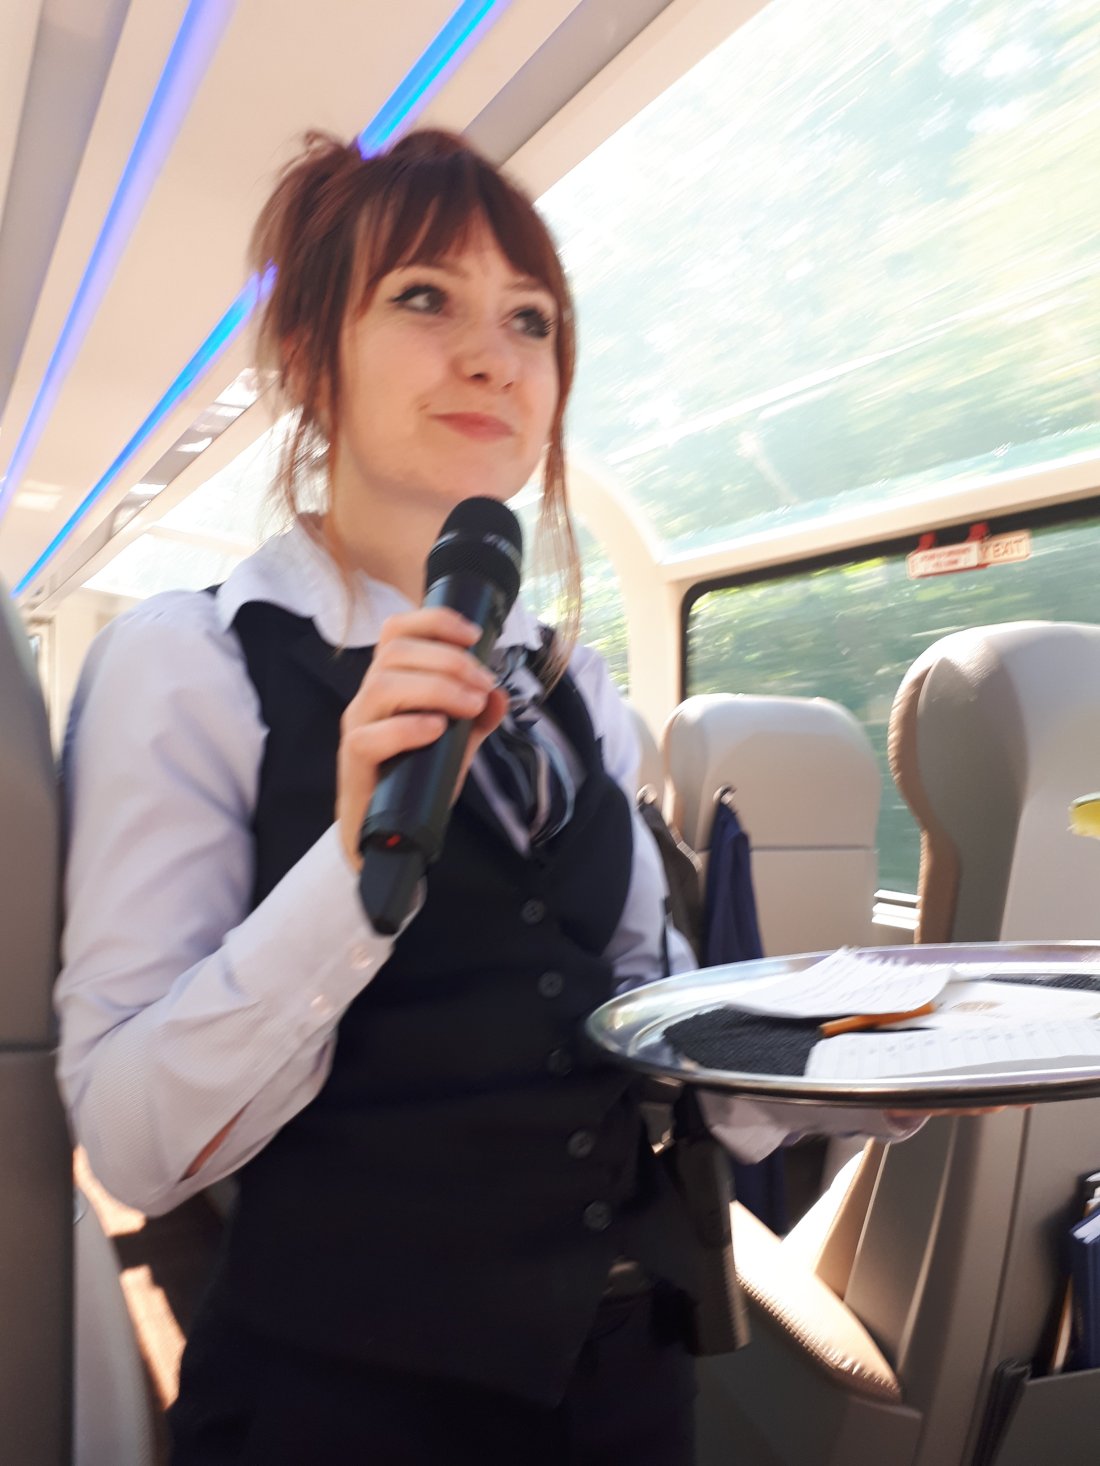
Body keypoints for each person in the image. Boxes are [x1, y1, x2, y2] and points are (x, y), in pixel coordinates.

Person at [56, 129, 921, 1465]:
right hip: (341, 1398)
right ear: (309, 357)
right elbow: (132, 1143)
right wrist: (354, 870)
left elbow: (651, 1027)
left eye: (532, 321)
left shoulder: (577, 689)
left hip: (627, 1380)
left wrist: (863, 1059)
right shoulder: (190, 662)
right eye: (424, 298)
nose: (494, 357)